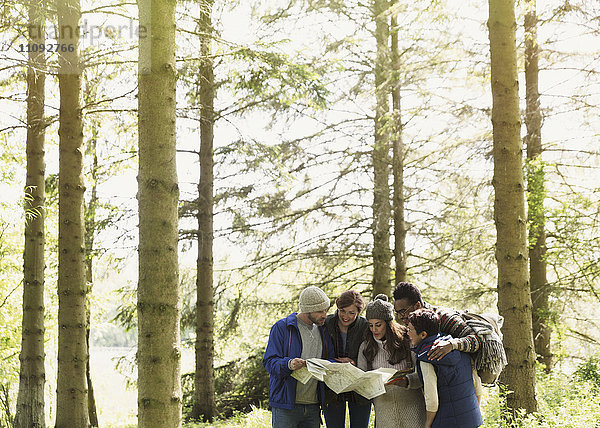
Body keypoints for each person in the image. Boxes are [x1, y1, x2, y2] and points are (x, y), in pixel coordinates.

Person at [263, 286, 335, 428]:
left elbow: (329, 359)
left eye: (326, 310)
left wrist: (335, 364)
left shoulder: (323, 330)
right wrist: (289, 364)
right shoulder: (282, 327)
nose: (325, 315)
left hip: (313, 406)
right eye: (320, 311)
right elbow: (269, 362)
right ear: (307, 309)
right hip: (286, 406)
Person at [356, 294, 426, 428]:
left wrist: (406, 381)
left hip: (413, 411)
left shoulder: (408, 340)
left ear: (388, 323)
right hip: (384, 414)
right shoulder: (365, 347)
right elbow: (361, 383)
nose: (374, 330)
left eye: (378, 325)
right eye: (370, 325)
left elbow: (423, 374)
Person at [407, 309, 483, 428]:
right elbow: (476, 383)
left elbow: (432, 401)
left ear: (423, 334)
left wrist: (427, 425)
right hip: (473, 419)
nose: (407, 333)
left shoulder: (427, 357)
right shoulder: (457, 346)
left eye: (410, 330)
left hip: (446, 422)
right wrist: (473, 411)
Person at [323, 290, 371, 428]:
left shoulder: (365, 326)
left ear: (358, 313)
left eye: (351, 313)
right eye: (342, 311)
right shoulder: (327, 323)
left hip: (359, 386)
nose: (345, 316)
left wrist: (354, 362)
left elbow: (372, 353)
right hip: (332, 386)